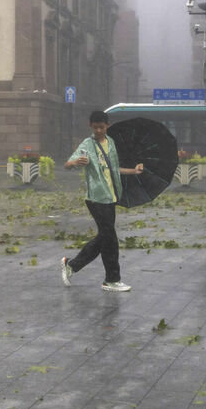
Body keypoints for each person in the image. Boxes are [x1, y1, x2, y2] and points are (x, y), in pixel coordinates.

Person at [61, 110, 143, 292]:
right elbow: (67, 164)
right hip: (96, 198)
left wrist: (133, 171)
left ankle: (72, 265)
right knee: (110, 239)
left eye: (102, 127)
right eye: (95, 127)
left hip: (111, 197)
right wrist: (75, 163)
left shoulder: (111, 143)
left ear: (107, 126)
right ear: (91, 126)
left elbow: (114, 169)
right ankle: (112, 279)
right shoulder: (87, 145)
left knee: (105, 237)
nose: (98, 130)